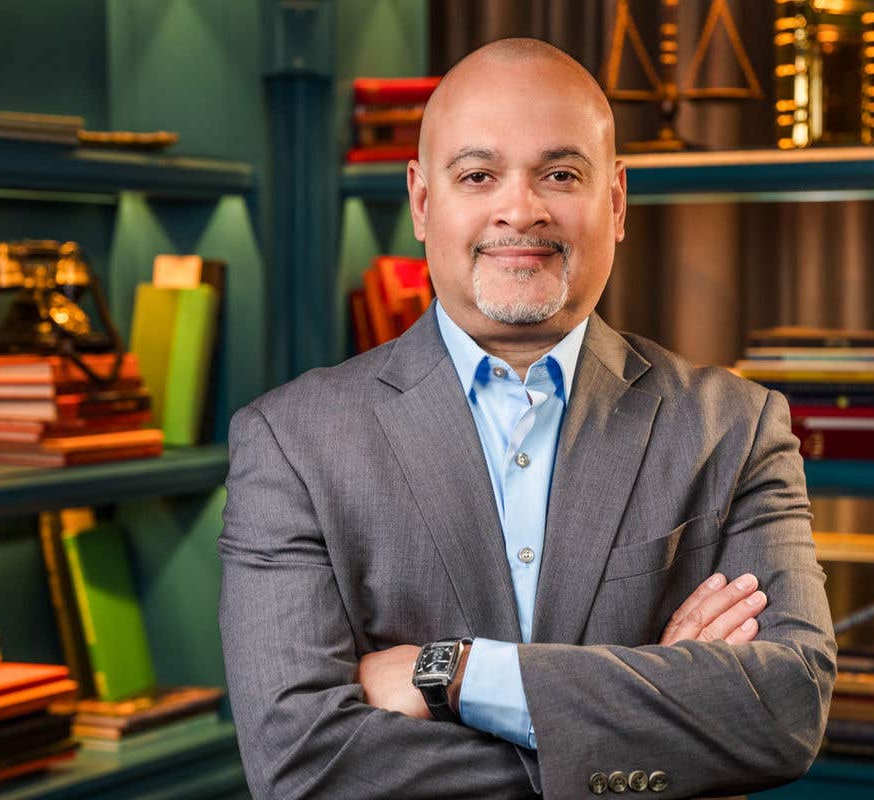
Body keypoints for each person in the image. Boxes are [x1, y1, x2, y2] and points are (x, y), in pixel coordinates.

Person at [219, 37, 836, 800]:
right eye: (478, 175)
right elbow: (301, 766)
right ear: (420, 201)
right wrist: (654, 725)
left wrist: (450, 673)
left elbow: (785, 711)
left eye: (561, 174)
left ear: (614, 203)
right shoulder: (290, 444)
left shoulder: (735, 429)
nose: (521, 208)